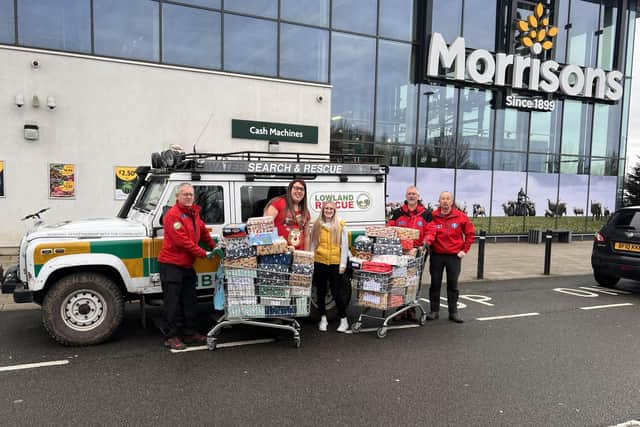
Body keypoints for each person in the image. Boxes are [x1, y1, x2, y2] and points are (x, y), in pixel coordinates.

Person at [158, 183, 222, 350]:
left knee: (189, 301)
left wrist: (213, 246)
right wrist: (204, 253)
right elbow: (183, 242)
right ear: (177, 197)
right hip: (171, 265)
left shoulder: (194, 213)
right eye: (185, 194)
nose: (188, 197)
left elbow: (203, 232)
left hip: (186, 265)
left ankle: (189, 332)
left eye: (191, 194)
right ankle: (171, 337)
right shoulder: (173, 215)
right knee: (172, 303)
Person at [424, 191, 475, 323]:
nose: (445, 201)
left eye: (448, 199)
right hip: (437, 255)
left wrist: (464, 250)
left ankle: (453, 312)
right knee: (435, 284)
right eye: (442, 199)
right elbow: (426, 231)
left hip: (454, 256)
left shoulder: (460, 216)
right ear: (439, 201)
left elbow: (470, 234)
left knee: (453, 285)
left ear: (452, 202)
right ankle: (434, 311)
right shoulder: (433, 216)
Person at [310, 201, 350, 333]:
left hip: (334, 263)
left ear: (334, 210)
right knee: (320, 292)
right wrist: (311, 260)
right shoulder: (317, 225)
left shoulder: (340, 225)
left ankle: (344, 320)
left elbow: (344, 246)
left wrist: (343, 264)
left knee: (336, 292)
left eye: (331, 209)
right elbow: (313, 244)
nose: (328, 210)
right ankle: (323, 319)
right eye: (326, 208)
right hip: (319, 262)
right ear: (322, 210)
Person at [264, 179, 311, 250]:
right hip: (280, 253)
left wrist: (307, 254)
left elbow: (307, 235)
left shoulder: (305, 211)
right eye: (295, 188)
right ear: (290, 190)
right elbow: (265, 228)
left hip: (299, 255)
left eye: (301, 189)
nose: (298, 191)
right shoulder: (278, 203)